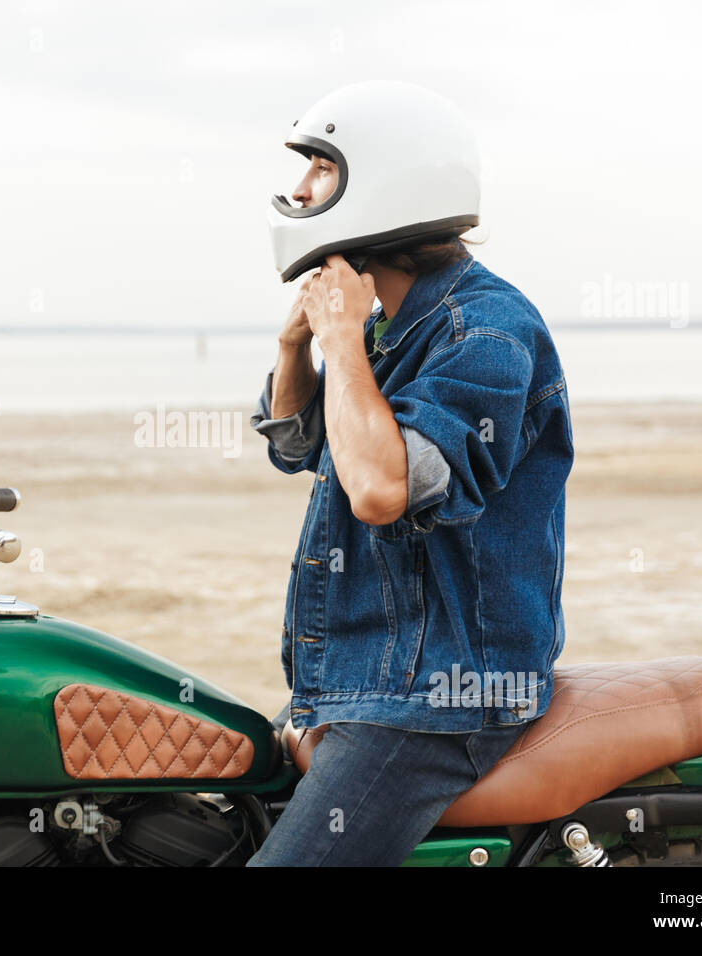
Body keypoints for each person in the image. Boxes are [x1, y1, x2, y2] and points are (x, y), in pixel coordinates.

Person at [246, 80, 574, 866]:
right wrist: (299, 347)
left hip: (437, 700)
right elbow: (295, 445)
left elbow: (381, 489)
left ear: (383, 183)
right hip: (362, 681)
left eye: (321, 169)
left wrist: (344, 345)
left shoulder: (486, 331)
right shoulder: (394, 323)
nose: (297, 191)